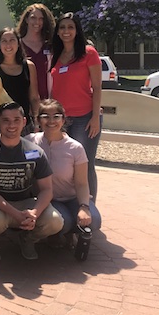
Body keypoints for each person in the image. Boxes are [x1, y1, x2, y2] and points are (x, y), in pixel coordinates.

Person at [0, 102, 63, 261]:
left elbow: (47, 189)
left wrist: (34, 213)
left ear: (24, 121)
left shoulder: (34, 152)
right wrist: (16, 214)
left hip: (25, 203)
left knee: (55, 221)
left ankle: (28, 239)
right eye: (6, 120)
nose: (11, 125)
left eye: (16, 120)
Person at [27, 100, 101, 245]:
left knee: (94, 220)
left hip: (72, 197)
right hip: (48, 199)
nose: (51, 121)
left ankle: (67, 234)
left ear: (63, 119)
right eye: (45, 116)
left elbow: (81, 183)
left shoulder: (75, 148)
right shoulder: (30, 143)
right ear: (38, 120)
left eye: (56, 116)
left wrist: (84, 207)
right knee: (64, 222)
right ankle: (55, 235)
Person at [50, 12, 102, 202]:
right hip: (61, 120)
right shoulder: (56, 55)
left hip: (85, 118)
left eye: (71, 27)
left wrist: (95, 117)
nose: (66, 31)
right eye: (62, 27)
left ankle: (89, 209)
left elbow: (97, 87)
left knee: (84, 164)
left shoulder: (89, 53)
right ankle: (71, 204)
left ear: (77, 30)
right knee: (63, 163)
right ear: (57, 32)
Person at [0, 27, 40, 134]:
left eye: (12, 40)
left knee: (28, 151)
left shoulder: (29, 66)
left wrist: (37, 121)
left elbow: (34, 97)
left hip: (24, 124)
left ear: (18, 43)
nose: (8, 44)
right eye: (4, 41)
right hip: (0, 125)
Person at [17, 3, 55, 99]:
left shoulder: (50, 46)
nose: (37, 22)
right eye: (33, 18)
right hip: (23, 101)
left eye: (41, 19)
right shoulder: (17, 45)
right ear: (26, 19)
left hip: (47, 102)